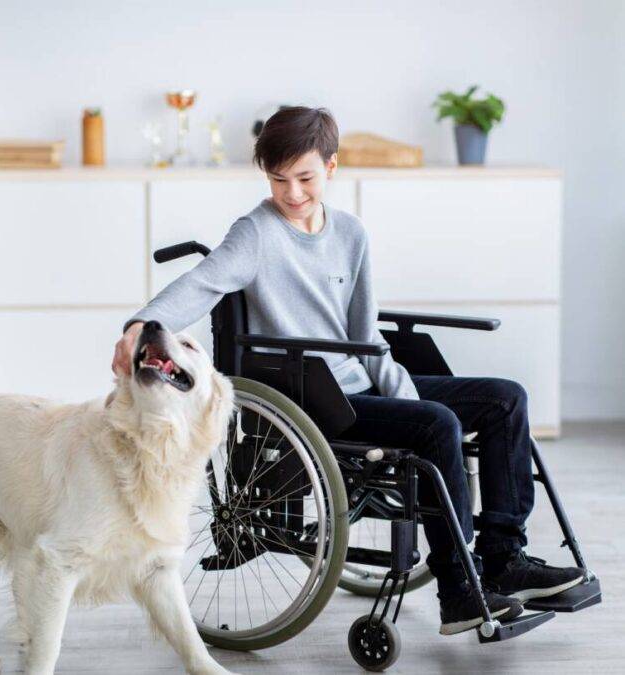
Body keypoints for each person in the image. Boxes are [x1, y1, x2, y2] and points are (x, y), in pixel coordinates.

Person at [112, 106, 584, 635]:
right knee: (436, 426)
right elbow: (201, 284)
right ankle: (457, 589)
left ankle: (503, 557)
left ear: (331, 168)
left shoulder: (351, 234)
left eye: (306, 178)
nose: (292, 193)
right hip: (313, 396)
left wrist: (402, 391)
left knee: (506, 399)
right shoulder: (256, 234)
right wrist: (142, 325)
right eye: (279, 180)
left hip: (360, 383)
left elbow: (365, 338)